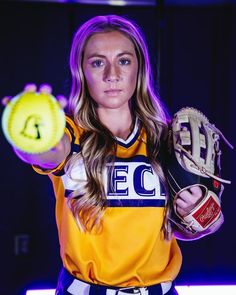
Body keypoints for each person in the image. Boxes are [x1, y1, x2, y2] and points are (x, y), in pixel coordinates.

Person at [11, 14, 223, 295]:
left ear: (140, 68)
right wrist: (31, 133)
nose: (112, 74)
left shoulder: (167, 138)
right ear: (81, 71)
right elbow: (46, 151)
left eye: (124, 60)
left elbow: (194, 227)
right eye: (98, 62)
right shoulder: (71, 132)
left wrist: (202, 216)